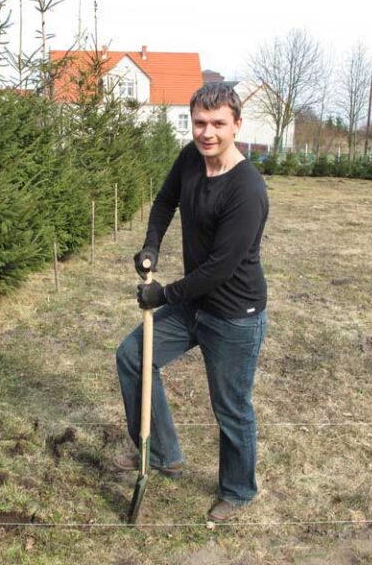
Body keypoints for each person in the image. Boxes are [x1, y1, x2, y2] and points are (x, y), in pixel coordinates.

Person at [114, 82, 269, 522]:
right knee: (132, 357)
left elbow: (218, 269)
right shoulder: (191, 158)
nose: (207, 132)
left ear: (236, 125)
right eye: (200, 122)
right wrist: (151, 246)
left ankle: (238, 490)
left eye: (218, 123)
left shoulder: (248, 189)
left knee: (231, 407)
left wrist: (162, 294)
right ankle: (161, 453)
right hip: (193, 307)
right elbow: (165, 201)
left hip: (235, 316)